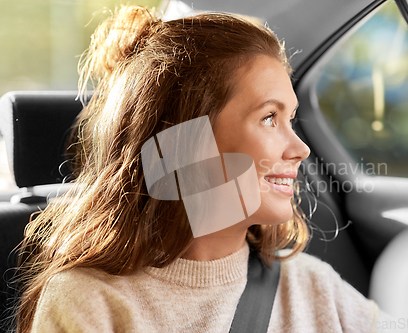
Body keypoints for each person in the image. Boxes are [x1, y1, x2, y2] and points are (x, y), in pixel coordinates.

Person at [15, 5, 380, 333]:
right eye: (269, 118)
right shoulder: (89, 303)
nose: (300, 149)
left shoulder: (315, 288)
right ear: (186, 141)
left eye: (291, 119)